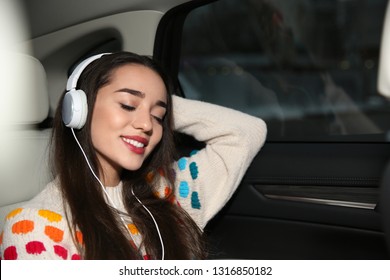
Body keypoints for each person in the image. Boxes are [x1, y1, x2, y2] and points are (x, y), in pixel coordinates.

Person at [0, 52, 267, 260]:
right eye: (128, 105)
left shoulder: (170, 191)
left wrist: (164, 105)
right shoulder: (32, 227)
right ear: (78, 109)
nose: (148, 125)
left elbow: (246, 132)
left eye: (158, 116)